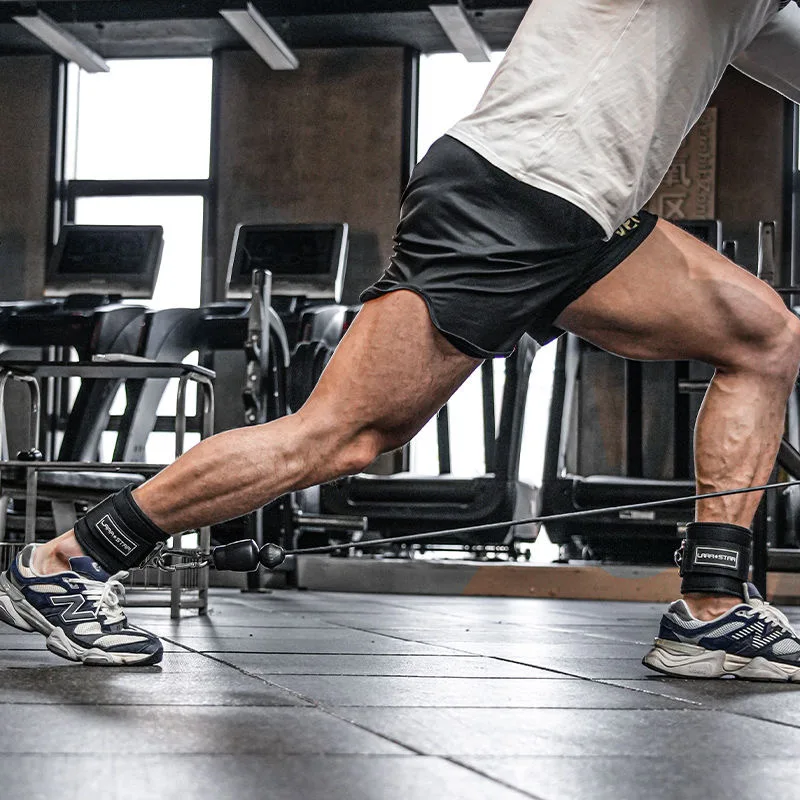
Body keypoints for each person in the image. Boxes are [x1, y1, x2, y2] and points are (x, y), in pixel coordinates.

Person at [2, 0, 800, 675]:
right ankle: (66, 562)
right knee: (342, 435)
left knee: (764, 337)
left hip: (592, 219)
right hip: (509, 191)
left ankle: (712, 604)